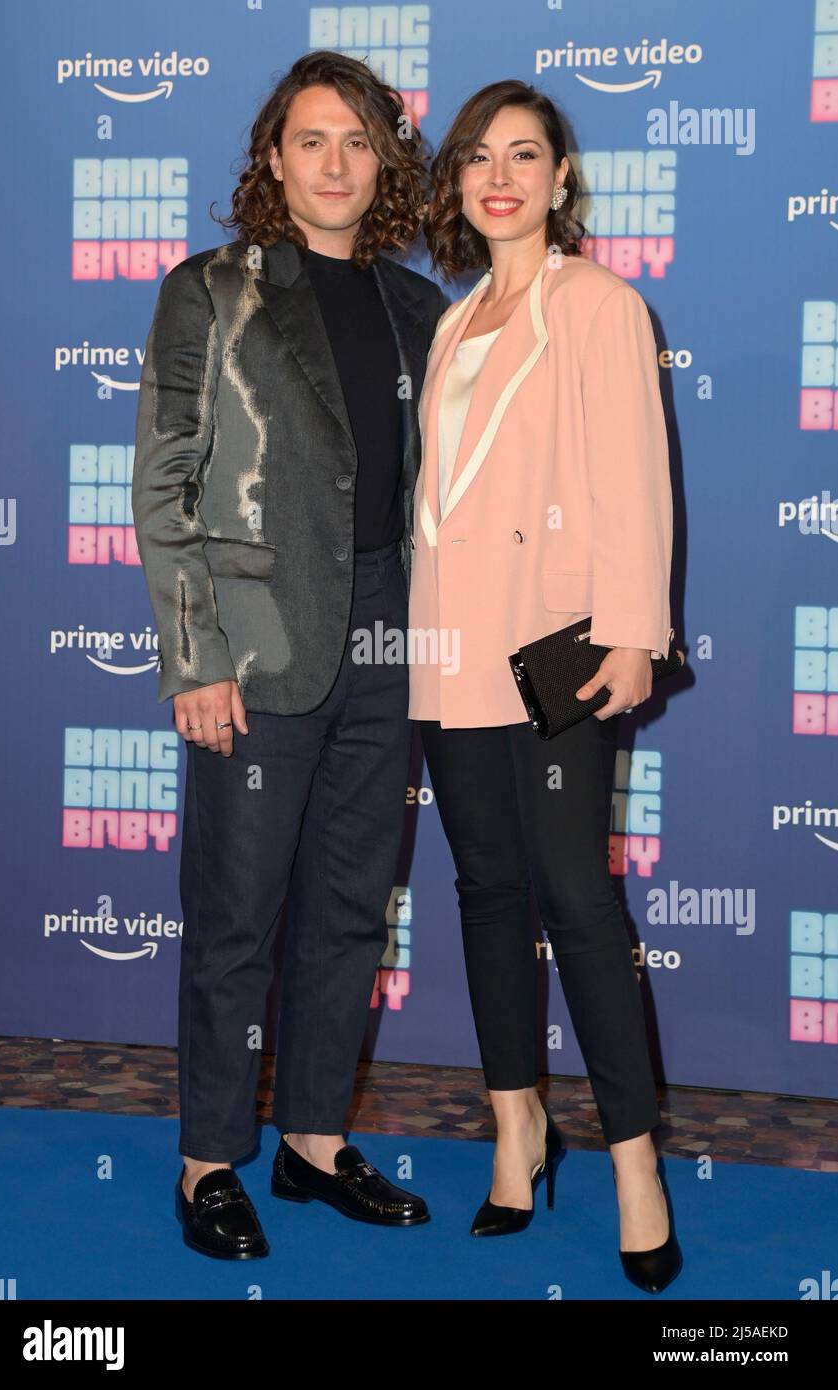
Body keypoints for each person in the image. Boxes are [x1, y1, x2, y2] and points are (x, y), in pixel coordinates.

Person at [132, 50, 447, 1259]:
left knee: (351, 910)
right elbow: (165, 483)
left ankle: (316, 1141)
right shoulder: (209, 291)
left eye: (358, 141)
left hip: (387, 638)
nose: (335, 162)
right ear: (274, 157)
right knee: (233, 917)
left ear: (385, 163)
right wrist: (193, 655)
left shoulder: (417, 308)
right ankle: (210, 1157)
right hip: (253, 650)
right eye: (312, 139)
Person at [407, 79, 682, 1293]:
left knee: (575, 894)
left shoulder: (599, 303)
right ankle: (517, 1126)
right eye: (479, 156)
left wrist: (634, 634)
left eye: (526, 154)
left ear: (562, 177)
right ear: (458, 181)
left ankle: (634, 1162)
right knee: (482, 890)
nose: (499, 174)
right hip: (451, 645)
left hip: (558, 647)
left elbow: (633, 476)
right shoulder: (452, 320)